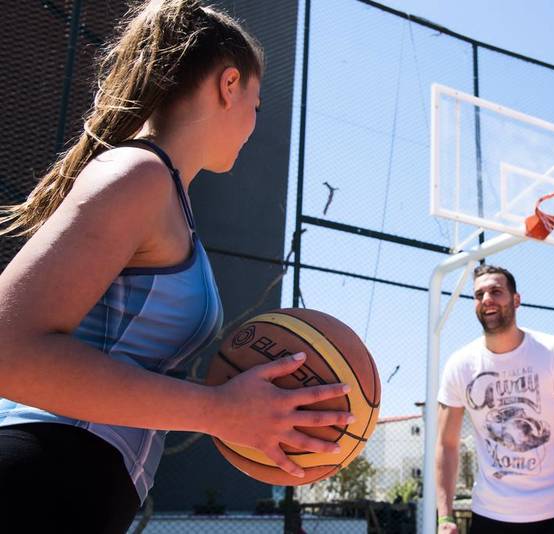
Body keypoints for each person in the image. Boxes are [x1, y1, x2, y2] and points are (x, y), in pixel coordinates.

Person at [0, 1, 352, 532]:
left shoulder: (166, 198)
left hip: (76, 487)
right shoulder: (136, 173)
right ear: (229, 84)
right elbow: (8, 351)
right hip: (40, 475)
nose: (254, 125)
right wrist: (220, 410)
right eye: (256, 105)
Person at [435, 265, 554, 534]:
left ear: (516, 300)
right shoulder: (459, 365)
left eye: (496, 291)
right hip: (490, 516)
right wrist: (444, 517)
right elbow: (446, 444)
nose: (487, 299)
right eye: (479, 294)